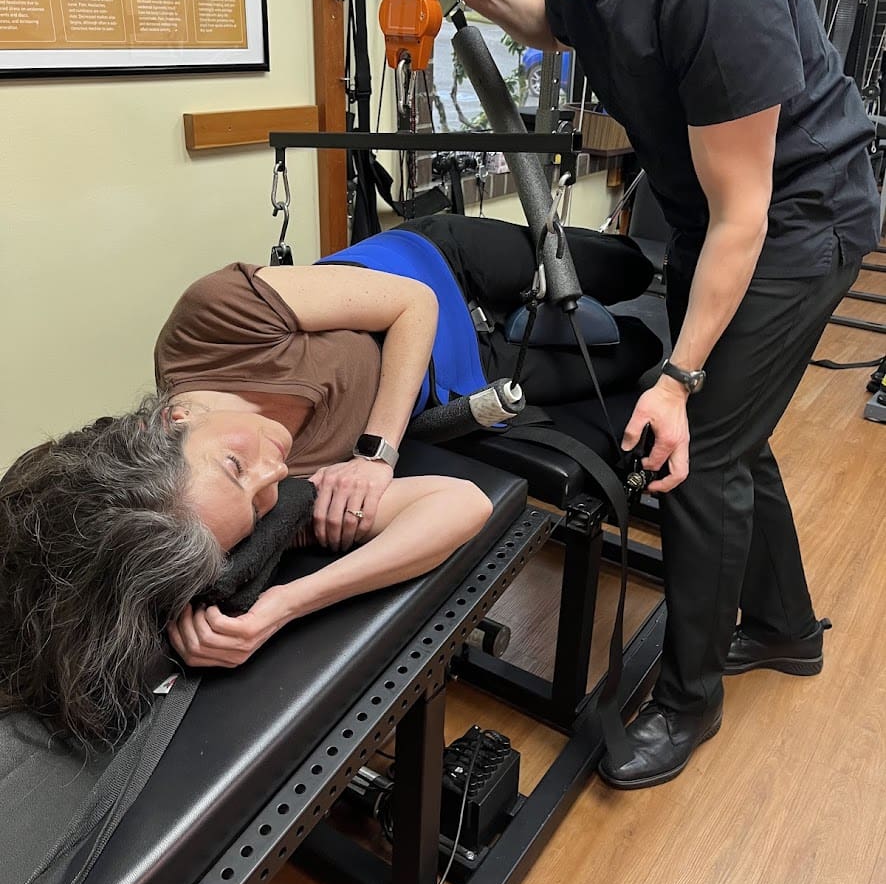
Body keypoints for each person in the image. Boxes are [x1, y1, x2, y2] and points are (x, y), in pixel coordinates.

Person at [418, 0, 882, 789]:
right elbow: (551, 14)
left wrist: (671, 379)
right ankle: (786, 628)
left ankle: (686, 704)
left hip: (799, 224)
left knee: (698, 449)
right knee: (729, 433)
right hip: (721, 219)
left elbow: (744, 211)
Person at [0, 213, 659, 749]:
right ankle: (570, 330)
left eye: (236, 465)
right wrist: (282, 607)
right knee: (635, 348)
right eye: (259, 496)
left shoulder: (210, 321)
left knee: (626, 267)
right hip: (461, 374)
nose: (276, 469)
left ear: (175, 417)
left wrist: (373, 454)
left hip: (432, 263)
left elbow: (412, 304)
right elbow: (458, 504)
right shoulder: (259, 511)